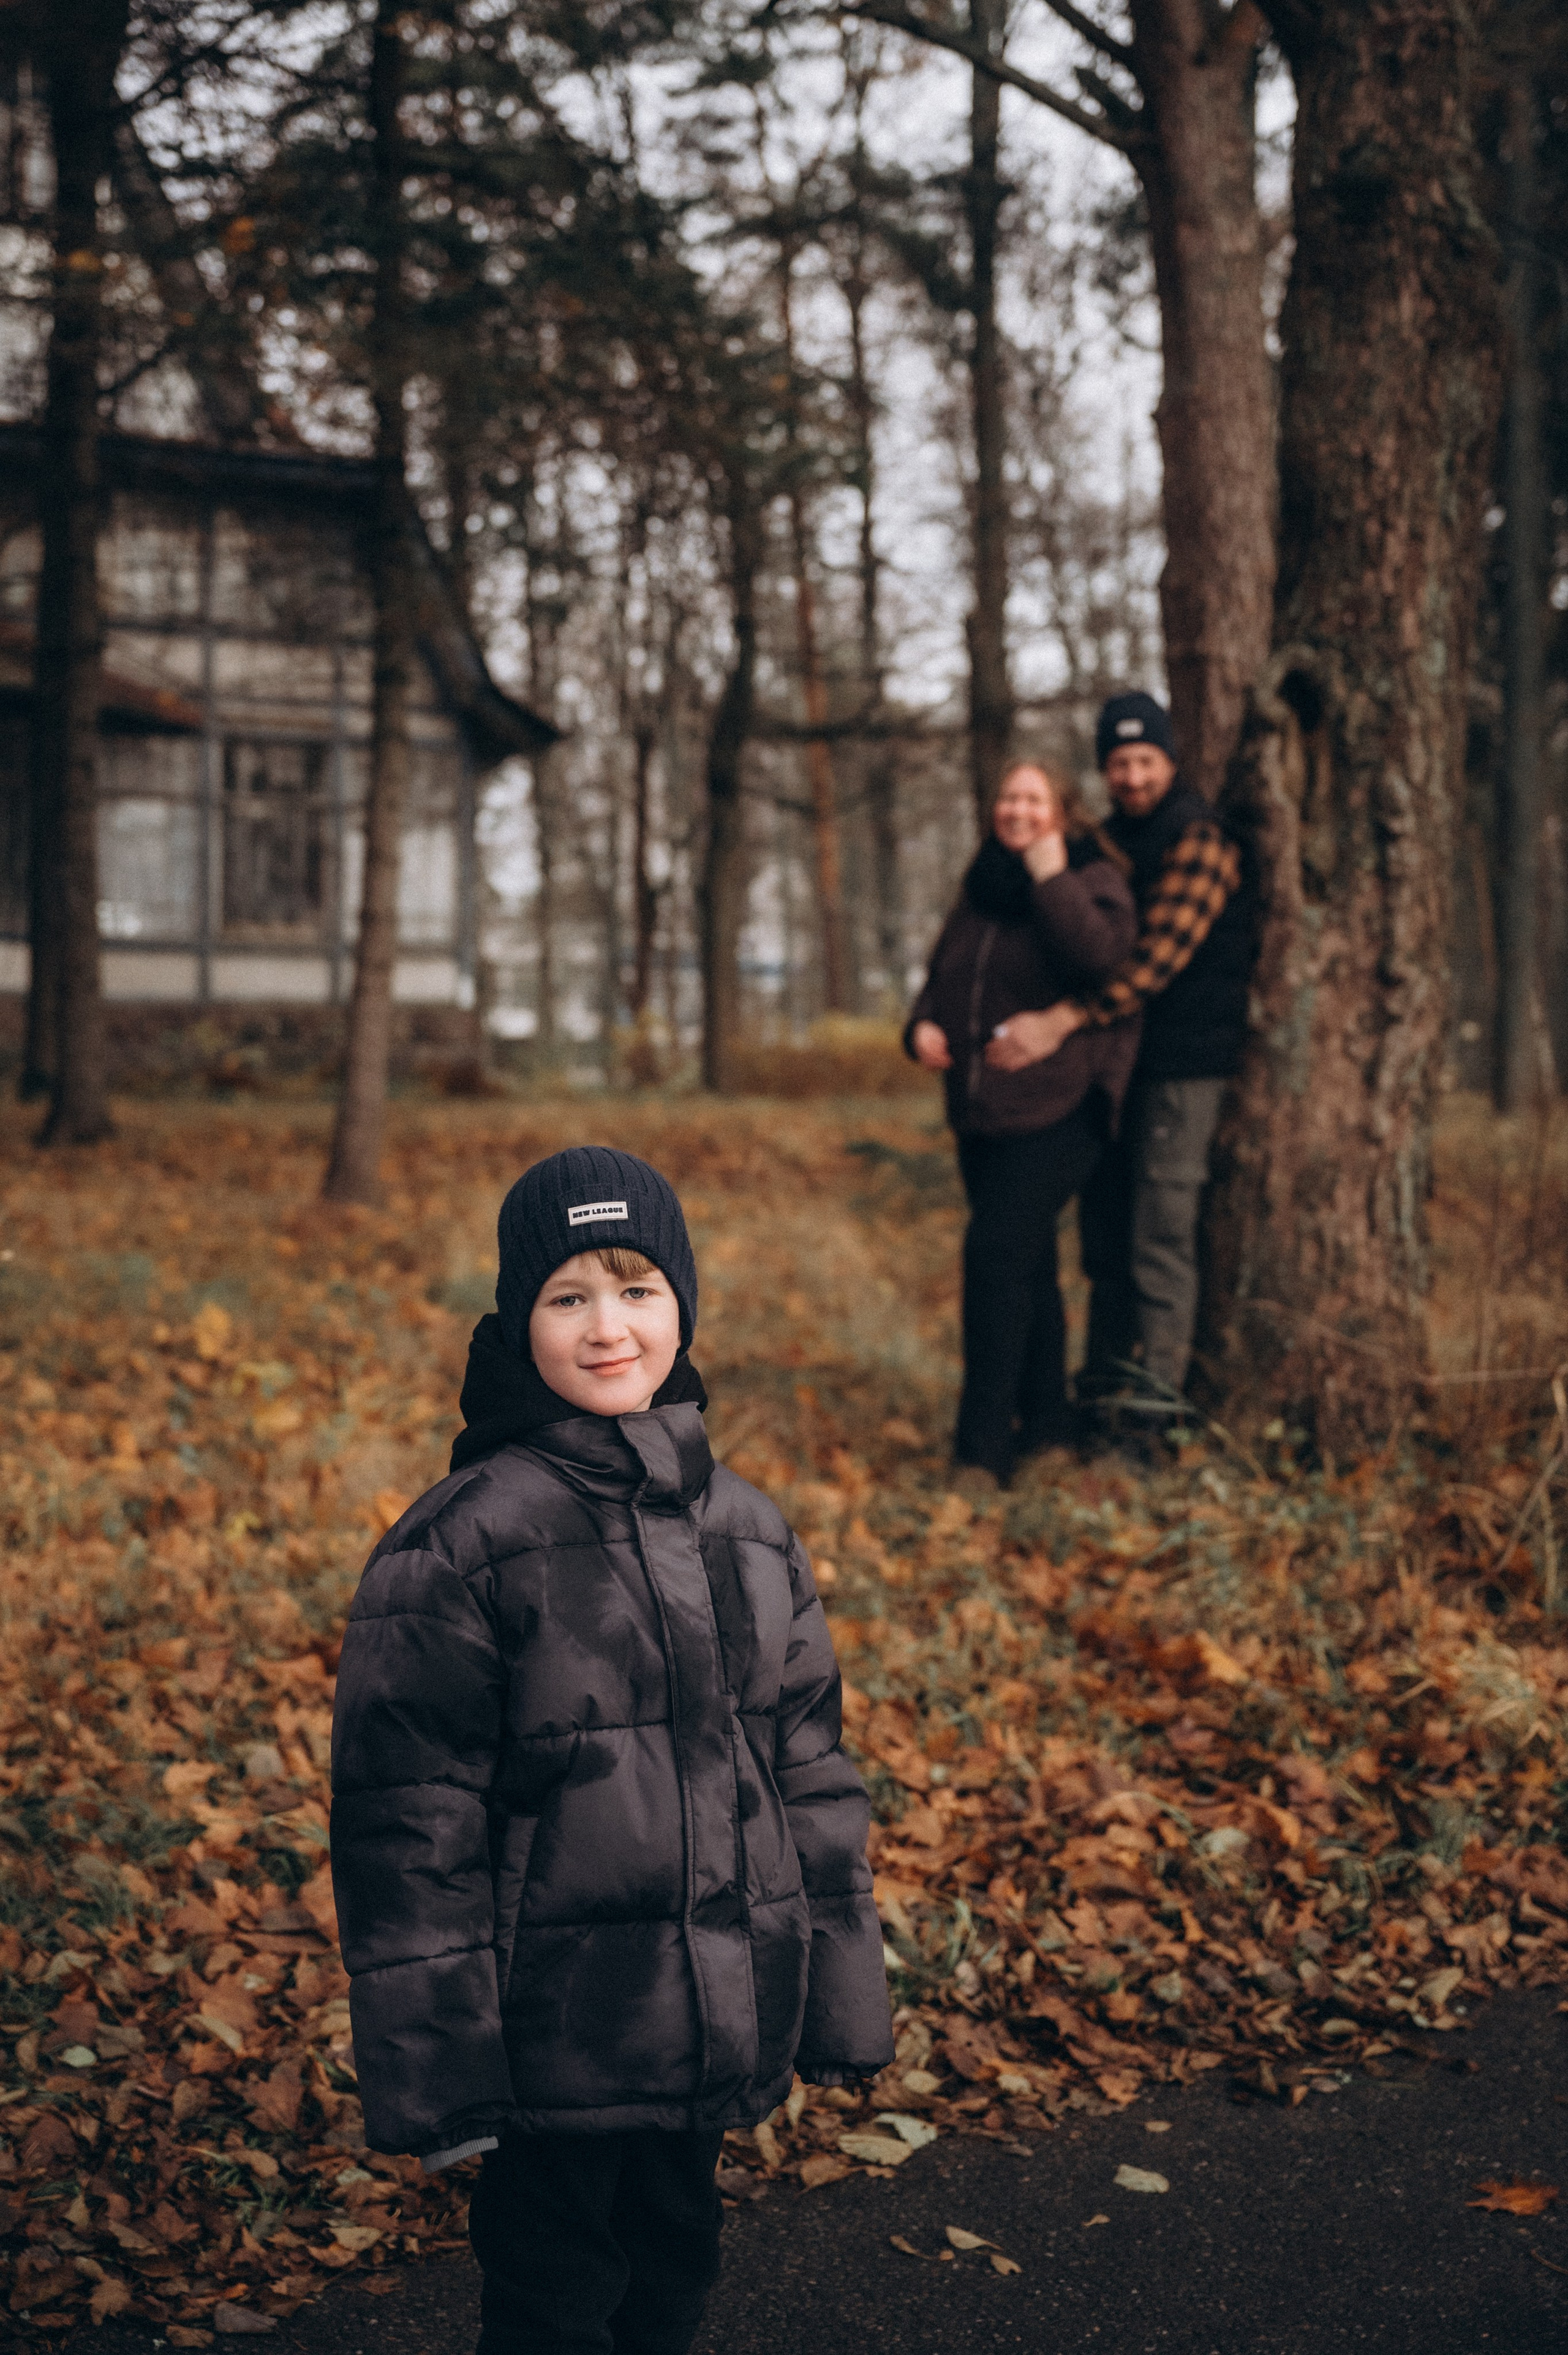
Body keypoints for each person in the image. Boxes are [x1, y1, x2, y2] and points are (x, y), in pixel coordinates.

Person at [330, 1145, 892, 2355]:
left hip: (710, 2016)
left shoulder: (745, 1528)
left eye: (636, 1286)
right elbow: (407, 1821)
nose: (606, 1326)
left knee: (672, 2265)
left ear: (681, 1304)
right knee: (554, 2290)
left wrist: (839, 1995)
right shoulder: (462, 1544)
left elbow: (809, 1771)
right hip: (552, 2039)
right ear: (516, 1318)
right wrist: (442, 2068)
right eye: (566, 1295)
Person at [989, 692, 1257, 1428]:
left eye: (1145, 760)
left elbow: (1149, 963)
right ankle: (1101, 1396)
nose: (1133, 776)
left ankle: (1151, 1415)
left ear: (1170, 760)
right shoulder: (1107, 842)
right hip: (1117, 1068)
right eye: (1119, 763)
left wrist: (1062, 1020)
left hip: (1183, 1066)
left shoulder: (1200, 838)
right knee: (1106, 1239)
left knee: (1160, 1237)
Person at [905, 761, 1141, 1484]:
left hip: (1062, 1105)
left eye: (1033, 798)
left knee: (994, 1256)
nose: (1017, 809)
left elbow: (1101, 960)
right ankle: (1047, 1433)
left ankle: (980, 1453)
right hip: (981, 1110)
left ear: (1062, 812)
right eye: (1008, 796)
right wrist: (918, 1028)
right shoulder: (981, 888)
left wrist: (1050, 874)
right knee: (1028, 1266)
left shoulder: (1091, 879)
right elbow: (945, 975)